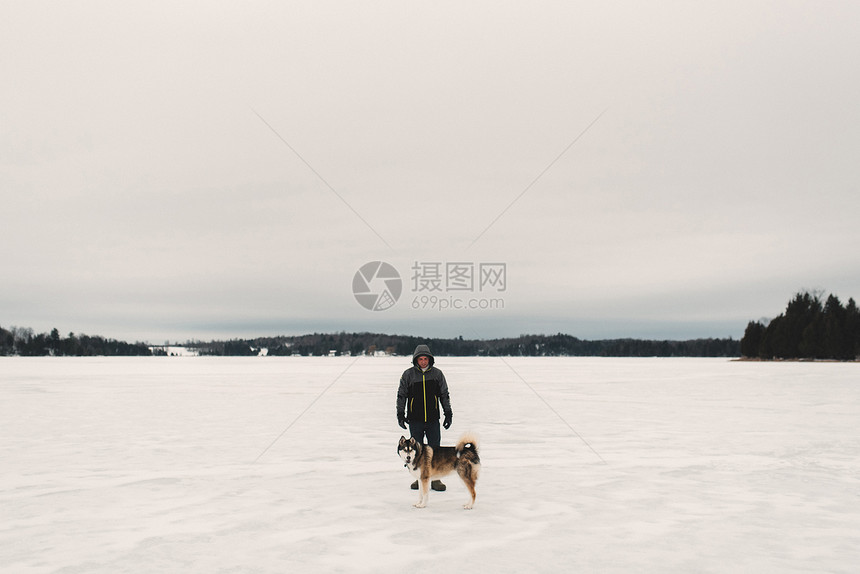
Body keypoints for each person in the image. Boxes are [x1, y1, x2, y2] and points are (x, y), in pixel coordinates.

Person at [396, 344, 453, 491]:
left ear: (430, 359)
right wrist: (400, 414)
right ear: (416, 360)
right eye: (420, 359)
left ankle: (435, 479)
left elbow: (444, 395)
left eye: (425, 358)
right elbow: (401, 395)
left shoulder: (437, 374)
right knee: (417, 451)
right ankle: (418, 478)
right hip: (415, 419)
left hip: (433, 419)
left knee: (435, 450)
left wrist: (448, 413)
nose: (423, 361)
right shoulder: (408, 375)